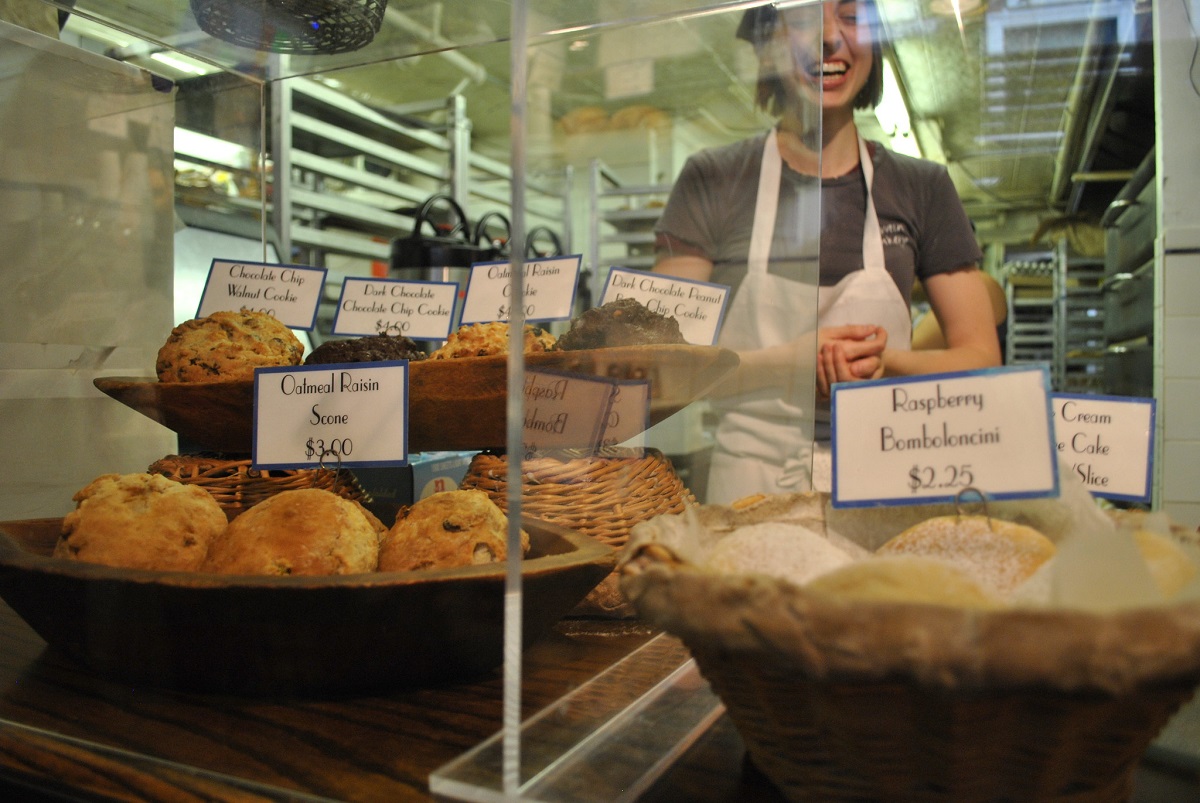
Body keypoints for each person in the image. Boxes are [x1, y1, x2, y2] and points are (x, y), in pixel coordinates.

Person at [653, 0, 1000, 502]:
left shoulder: (923, 186)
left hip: (887, 473)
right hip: (749, 486)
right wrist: (790, 362)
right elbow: (664, 368)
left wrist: (884, 364)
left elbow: (980, 360)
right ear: (768, 43)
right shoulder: (713, 178)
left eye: (852, 15)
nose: (829, 37)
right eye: (803, 17)